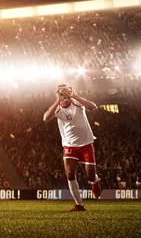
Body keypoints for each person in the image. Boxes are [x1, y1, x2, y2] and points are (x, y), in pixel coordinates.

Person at [43, 84, 101, 212]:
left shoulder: (77, 102)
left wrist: (74, 95)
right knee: (70, 174)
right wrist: (57, 100)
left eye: (67, 93)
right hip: (69, 145)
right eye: (61, 94)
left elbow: (93, 107)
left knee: (90, 175)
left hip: (86, 144)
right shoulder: (57, 108)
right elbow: (46, 118)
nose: (65, 96)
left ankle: (95, 181)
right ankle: (79, 204)